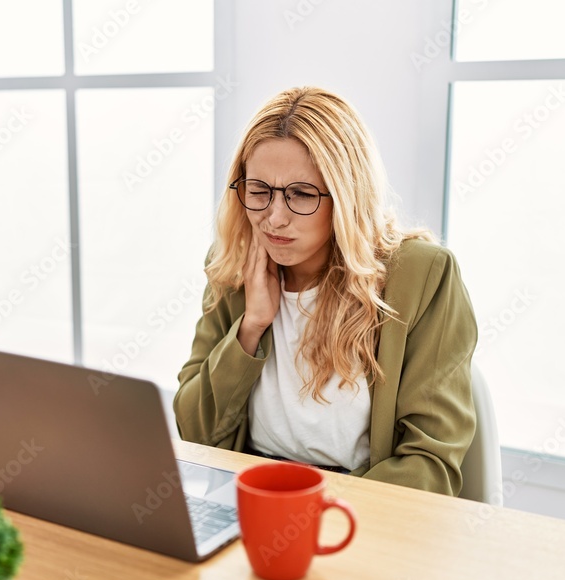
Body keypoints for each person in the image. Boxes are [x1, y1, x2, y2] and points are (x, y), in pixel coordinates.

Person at [173, 87, 477, 495]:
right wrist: (250, 328)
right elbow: (196, 433)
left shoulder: (422, 274)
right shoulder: (236, 263)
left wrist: (309, 509)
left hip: (364, 508)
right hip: (254, 494)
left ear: (347, 197)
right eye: (259, 191)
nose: (274, 219)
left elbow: (430, 465)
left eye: (301, 194)